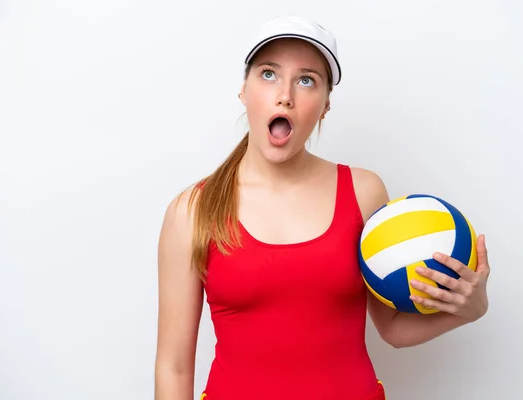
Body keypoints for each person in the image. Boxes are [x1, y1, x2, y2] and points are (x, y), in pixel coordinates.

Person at [154, 15, 491, 400]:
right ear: (243, 91)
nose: (285, 95)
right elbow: (174, 365)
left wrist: (469, 309)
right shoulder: (191, 212)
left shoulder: (363, 192)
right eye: (268, 74)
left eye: (306, 80)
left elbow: (393, 329)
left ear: (326, 105)